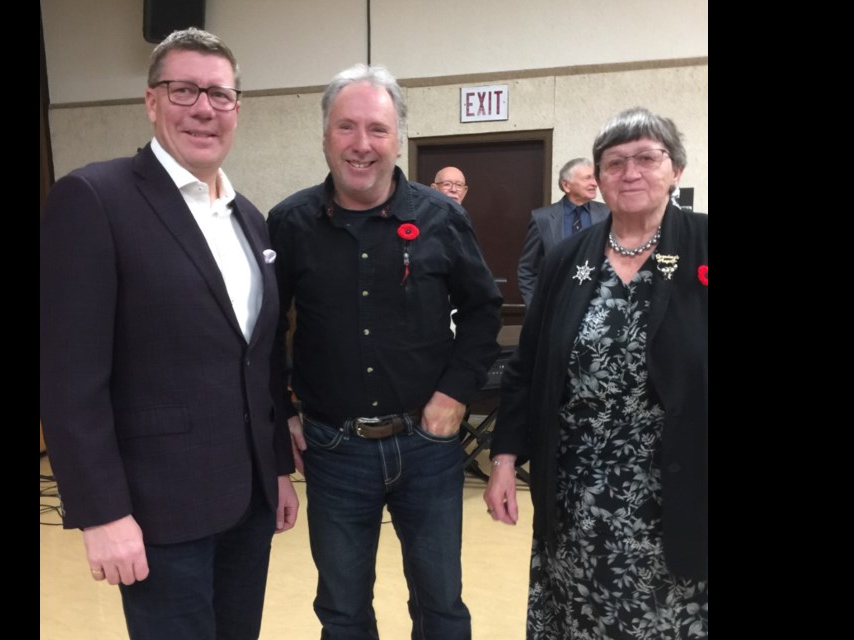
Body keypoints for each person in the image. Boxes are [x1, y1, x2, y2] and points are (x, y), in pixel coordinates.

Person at [40, 28, 298, 639]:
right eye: (184, 91)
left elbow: (258, 365)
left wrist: (279, 470)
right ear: (151, 102)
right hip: (156, 511)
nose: (204, 109)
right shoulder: (94, 199)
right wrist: (102, 514)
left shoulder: (251, 220)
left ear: (238, 108)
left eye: (219, 94)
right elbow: (69, 377)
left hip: (248, 501)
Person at [268, 63, 502, 640]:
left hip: (428, 448)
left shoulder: (442, 218)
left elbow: (482, 311)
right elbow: (263, 332)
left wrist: (454, 394)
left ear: (398, 137)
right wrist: (284, 412)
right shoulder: (290, 224)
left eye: (377, 128)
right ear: (325, 135)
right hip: (333, 450)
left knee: (441, 605)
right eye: (346, 127)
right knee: (343, 611)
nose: (361, 145)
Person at [484, 107, 708, 639]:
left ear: (675, 168)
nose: (630, 173)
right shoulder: (569, 259)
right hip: (577, 493)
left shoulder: (702, 242)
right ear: (597, 179)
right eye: (614, 163)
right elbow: (527, 366)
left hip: (680, 487)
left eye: (647, 159)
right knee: (583, 617)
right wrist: (503, 458)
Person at [517, 158, 610, 306]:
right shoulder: (543, 218)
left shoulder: (607, 213)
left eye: (595, 177)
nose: (595, 183)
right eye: (587, 178)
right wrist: (535, 308)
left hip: (598, 305)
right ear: (566, 185)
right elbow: (527, 270)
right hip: (557, 305)